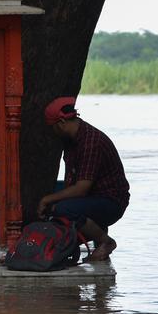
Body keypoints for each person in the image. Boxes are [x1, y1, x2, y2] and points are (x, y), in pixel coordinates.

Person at [37, 97, 130, 262]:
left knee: (64, 209)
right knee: (57, 208)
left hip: (111, 201)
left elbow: (81, 188)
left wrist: (48, 200)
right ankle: (92, 236)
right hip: (94, 197)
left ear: (60, 123)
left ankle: (105, 242)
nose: (53, 132)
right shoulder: (72, 141)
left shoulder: (90, 142)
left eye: (52, 128)